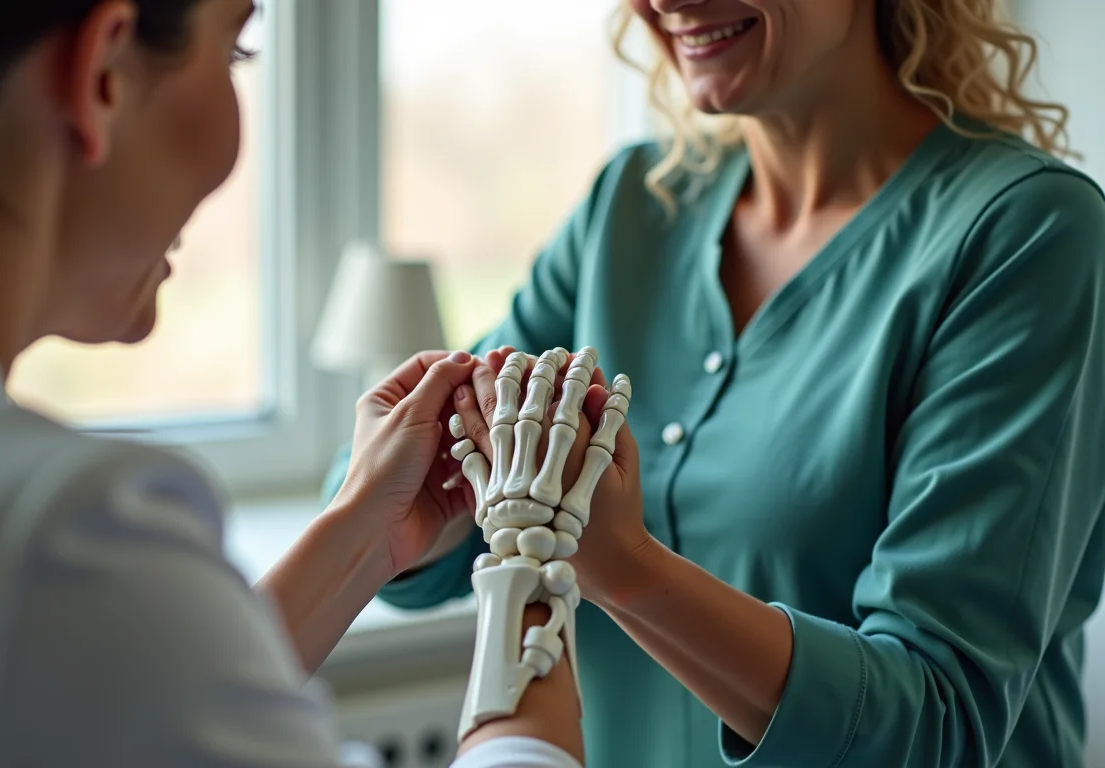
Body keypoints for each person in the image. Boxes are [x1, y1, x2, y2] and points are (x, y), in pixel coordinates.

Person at [324, 0, 1105, 765]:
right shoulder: (631, 205)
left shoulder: (1029, 235)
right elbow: (411, 511)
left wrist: (625, 567)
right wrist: (438, 491)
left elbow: (941, 725)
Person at [0, 1, 591, 765]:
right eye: (236, 51)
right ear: (103, 74)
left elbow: (126, 712)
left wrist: (365, 532)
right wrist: (530, 551)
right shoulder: (54, 536)